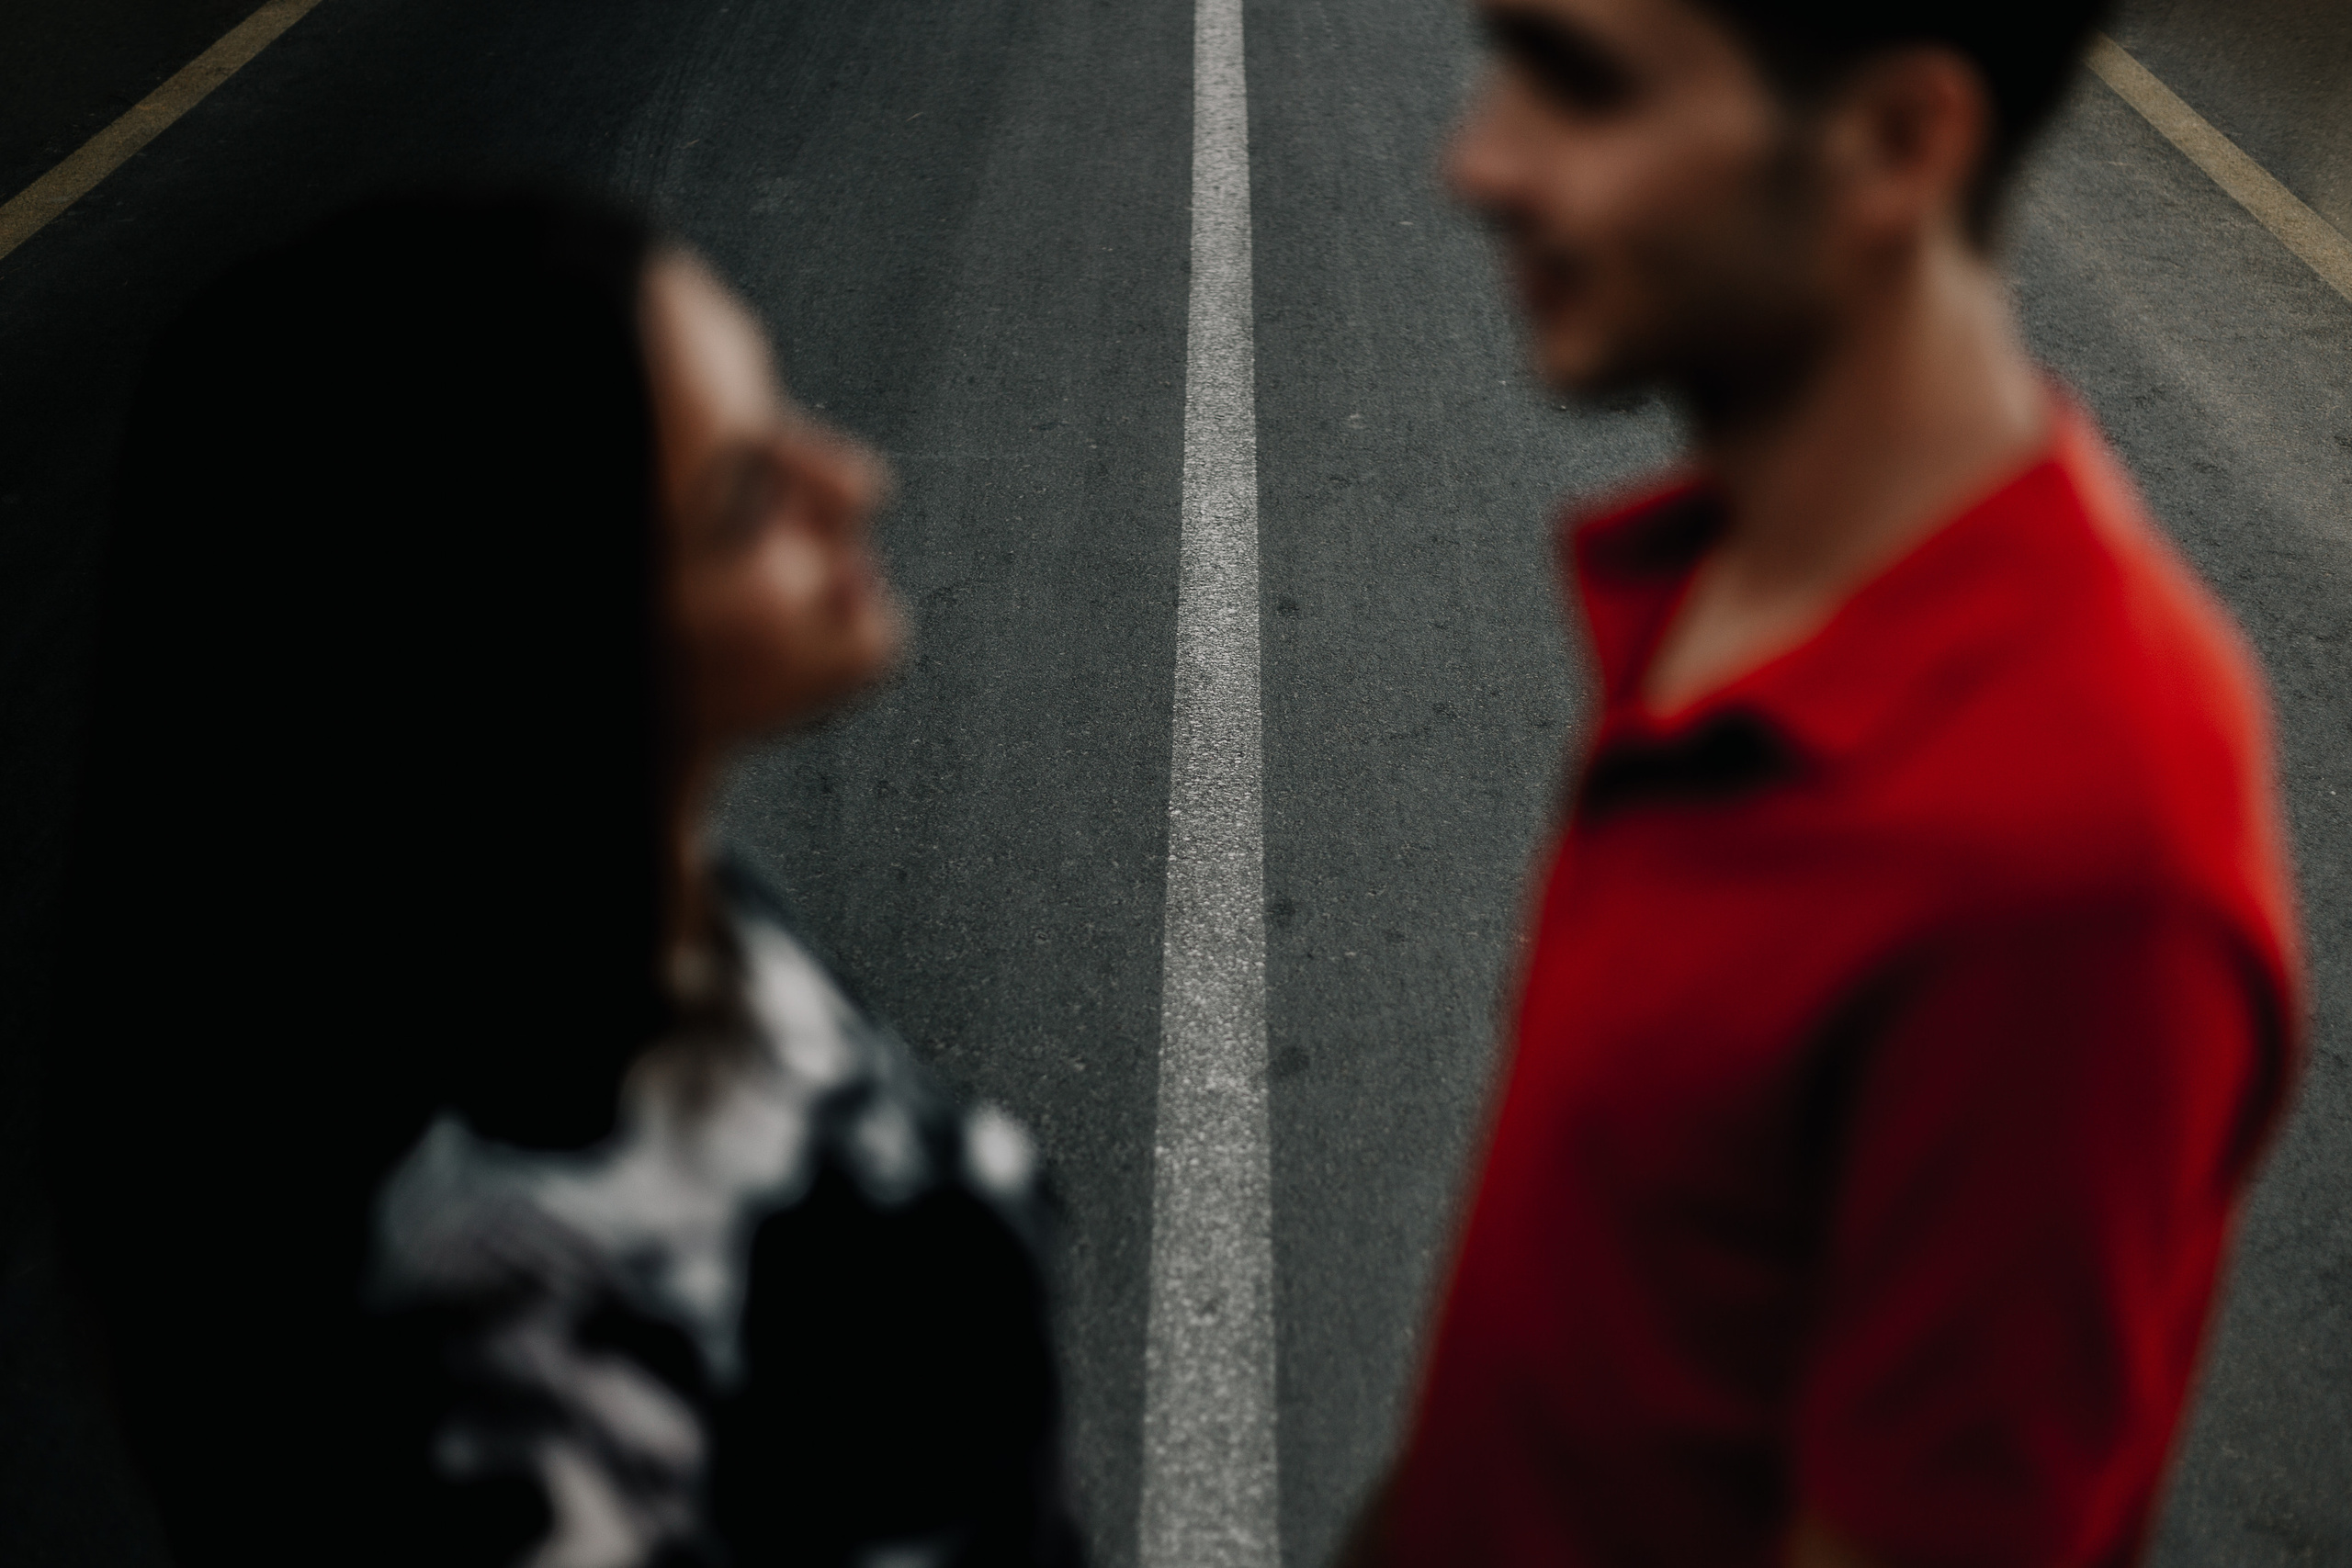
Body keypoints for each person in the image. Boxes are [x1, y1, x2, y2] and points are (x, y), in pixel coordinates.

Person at [1352, 3, 2302, 1566]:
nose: (1481, 161)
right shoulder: (1758, 584)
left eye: (1582, 88)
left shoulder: (2074, 858)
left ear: (1897, 146)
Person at [48, 192, 1081, 1568]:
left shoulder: (552, 944)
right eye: (744, 503)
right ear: (556, 652)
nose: (853, 484)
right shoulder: (558, 1339)